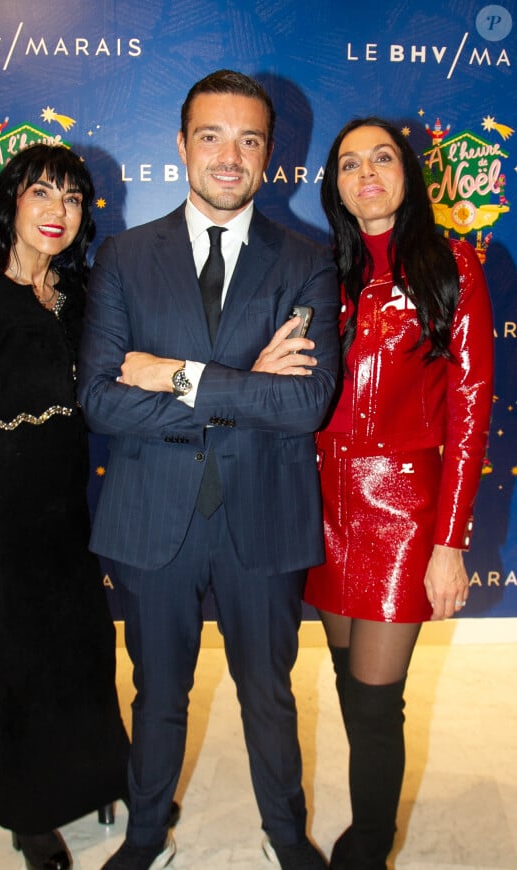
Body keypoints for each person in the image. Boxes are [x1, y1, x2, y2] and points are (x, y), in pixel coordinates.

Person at [77, 69, 340, 870]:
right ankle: (147, 832)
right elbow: (101, 400)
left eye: (250, 139)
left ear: (271, 155)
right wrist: (249, 382)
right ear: (182, 144)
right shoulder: (122, 256)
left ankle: (286, 835)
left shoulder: (307, 260)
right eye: (213, 136)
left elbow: (308, 404)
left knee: (270, 694)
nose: (231, 156)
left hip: (265, 512)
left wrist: (179, 374)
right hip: (152, 516)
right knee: (158, 695)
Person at [304, 117, 495, 870]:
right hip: (322, 504)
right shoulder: (323, 269)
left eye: (382, 157)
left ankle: (368, 847)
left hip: (402, 511)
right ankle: (371, 818)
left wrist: (449, 542)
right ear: (337, 187)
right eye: (350, 164)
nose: (367, 172)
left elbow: (471, 408)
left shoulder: (453, 264)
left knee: (379, 699)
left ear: (408, 173)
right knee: (354, 689)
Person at [0, 144, 131, 870]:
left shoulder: (80, 295)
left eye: (72, 199)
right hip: (3, 517)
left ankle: (103, 779)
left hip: (69, 513)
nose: (58, 212)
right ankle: (30, 819)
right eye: (42, 194)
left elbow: (121, 371)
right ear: (10, 202)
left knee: (83, 653)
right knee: (16, 669)